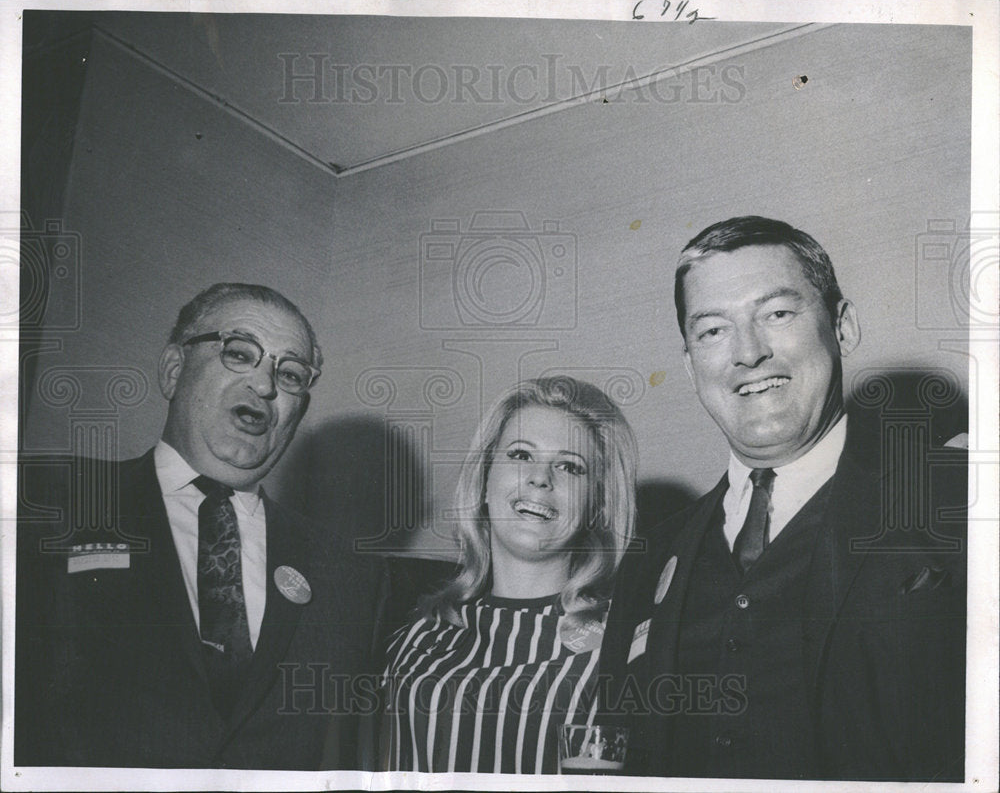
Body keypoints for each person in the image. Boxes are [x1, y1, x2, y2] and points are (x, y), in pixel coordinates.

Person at [601, 216, 967, 781]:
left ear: (841, 327)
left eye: (776, 314)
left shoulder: (959, 502)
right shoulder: (650, 557)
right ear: (691, 364)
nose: (748, 353)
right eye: (713, 331)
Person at [16, 283, 384, 769]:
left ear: (299, 412)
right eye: (239, 353)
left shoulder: (351, 577)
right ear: (173, 370)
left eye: (291, 373)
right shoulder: (41, 501)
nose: (266, 384)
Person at [382, 376, 638, 774]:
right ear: (484, 480)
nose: (540, 478)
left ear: (597, 506)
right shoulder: (415, 634)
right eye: (521, 456)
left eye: (570, 466)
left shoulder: (626, 648)